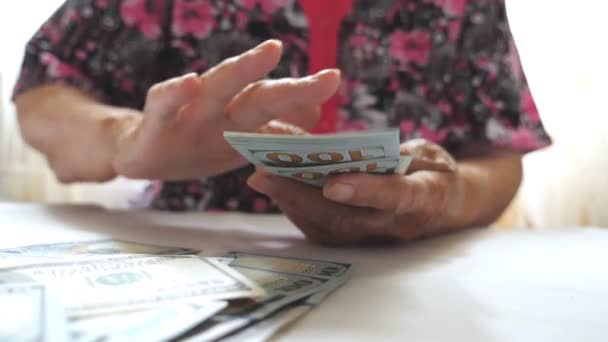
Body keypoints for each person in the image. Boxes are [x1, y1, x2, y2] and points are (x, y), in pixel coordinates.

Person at [13, 0, 550, 245]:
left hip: (415, 292)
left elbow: (498, 155)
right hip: (195, 274)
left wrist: (440, 198)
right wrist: (122, 140)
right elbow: (45, 86)